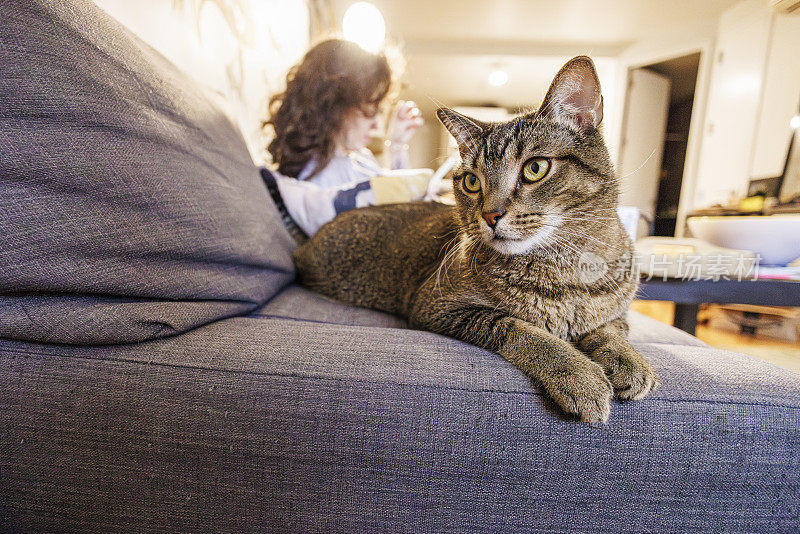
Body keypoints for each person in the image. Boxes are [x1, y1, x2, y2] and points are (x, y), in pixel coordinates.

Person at [262, 39, 426, 238]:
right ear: (336, 106)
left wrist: (397, 145)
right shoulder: (312, 180)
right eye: (369, 111)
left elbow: (404, 205)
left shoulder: (361, 158)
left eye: (378, 111)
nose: (376, 126)